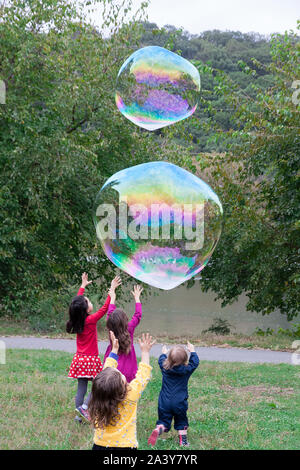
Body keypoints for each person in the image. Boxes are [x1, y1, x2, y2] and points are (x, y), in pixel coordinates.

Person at [66, 272, 121, 422]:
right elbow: (104, 309)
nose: (90, 302)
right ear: (86, 309)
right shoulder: (90, 320)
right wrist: (111, 291)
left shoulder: (78, 319)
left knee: (81, 387)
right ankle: (84, 408)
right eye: (88, 302)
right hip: (90, 360)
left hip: (79, 359)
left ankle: (80, 415)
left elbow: (76, 304)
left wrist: (82, 287)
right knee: (97, 386)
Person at [89, 331, 155, 450]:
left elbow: (107, 370)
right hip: (125, 446)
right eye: (120, 374)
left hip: (99, 445)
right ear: (124, 385)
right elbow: (143, 375)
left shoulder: (100, 394)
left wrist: (114, 350)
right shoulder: (130, 395)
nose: (120, 371)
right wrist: (145, 352)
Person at [148, 342, 199, 447]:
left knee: (164, 419)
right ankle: (183, 442)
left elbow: (160, 360)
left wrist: (163, 353)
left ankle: (159, 428)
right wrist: (192, 351)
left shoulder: (165, 367)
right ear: (185, 360)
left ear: (169, 359)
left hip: (164, 401)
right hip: (179, 402)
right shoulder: (186, 370)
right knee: (181, 420)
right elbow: (195, 363)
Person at [103, 284, 143, 383]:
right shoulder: (129, 328)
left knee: (111, 386)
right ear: (125, 321)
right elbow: (137, 315)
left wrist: (113, 297)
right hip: (128, 368)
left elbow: (109, 313)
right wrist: (137, 299)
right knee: (126, 390)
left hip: (113, 365)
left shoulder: (110, 328)